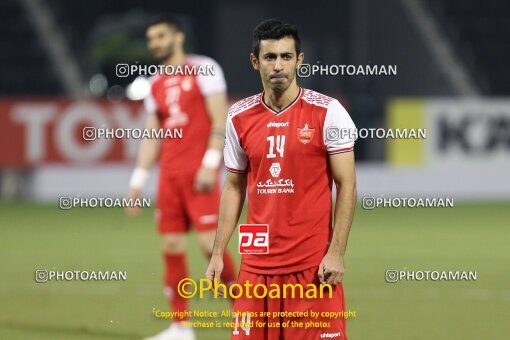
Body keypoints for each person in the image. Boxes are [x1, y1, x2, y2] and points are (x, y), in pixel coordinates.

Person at [205, 19, 357, 339]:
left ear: (299, 61)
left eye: (286, 57)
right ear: (255, 61)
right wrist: (219, 252)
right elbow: (233, 187)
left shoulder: (328, 112)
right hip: (255, 269)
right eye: (270, 57)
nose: (278, 66)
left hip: (312, 268)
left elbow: (347, 185)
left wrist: (337, 252)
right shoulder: (239, 116)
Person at [126, 14, 237, 340]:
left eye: (160, 36)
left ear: (177, 36)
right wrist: (138, 179)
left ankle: (245, 315)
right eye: (150, 39)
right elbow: (152, 134)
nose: (154, 44)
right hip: (169, 177)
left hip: (199, 173)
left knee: (208, 245)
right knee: (172, 245)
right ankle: (180, 326)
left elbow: (220, 119)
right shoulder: (155, 82)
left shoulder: (204, 68)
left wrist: (210, 162)